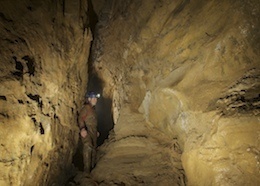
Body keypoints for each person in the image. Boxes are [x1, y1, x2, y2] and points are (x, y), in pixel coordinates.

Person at [78, 91, 100, 173]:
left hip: (93, 132)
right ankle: (86, 170)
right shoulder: (86, 108)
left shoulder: (93, 109)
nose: (95, 100)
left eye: (96, 98)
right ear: (89, 99)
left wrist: (96, 131)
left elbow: (93, 122)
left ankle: (92, 169)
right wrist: (82, 128)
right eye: (93, 98)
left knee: (94, 149)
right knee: (88, 147)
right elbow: (80, 118)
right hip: (87, 131)